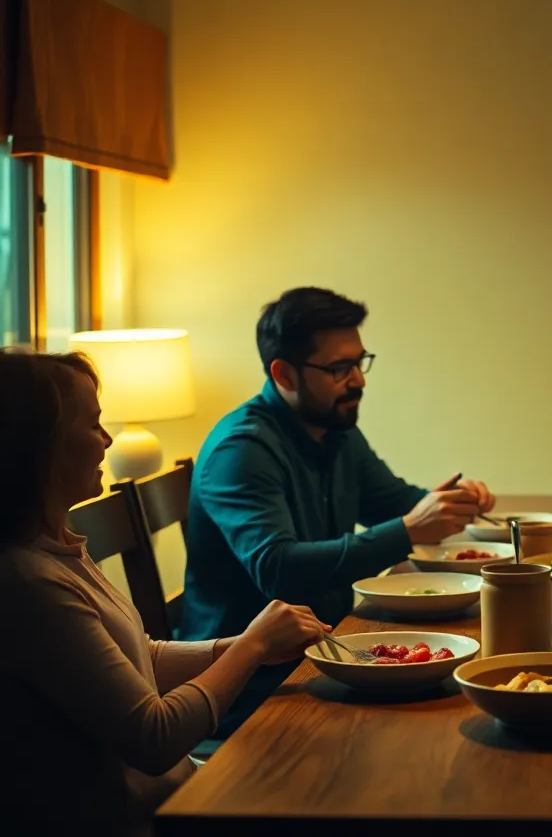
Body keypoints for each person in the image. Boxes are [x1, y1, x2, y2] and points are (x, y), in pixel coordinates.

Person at [0, 349, 330, 832]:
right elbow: (153, 737)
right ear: (41, 444)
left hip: (182, 793)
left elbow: (141, 659)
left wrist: (240, 646)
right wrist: (254, 646)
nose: (107, 440)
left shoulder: (58, 547)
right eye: (93, 424)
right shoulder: (28, 582)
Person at [180, 287, 495, 740]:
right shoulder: (242, 449)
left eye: (360, 362)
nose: (359, 380)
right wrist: (411, 528)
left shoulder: (335, 428)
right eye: (338, 368)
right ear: (284, 374)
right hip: (255, 691)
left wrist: (452, 500)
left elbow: (392, 501)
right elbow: (279, 570)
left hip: (331, 657)